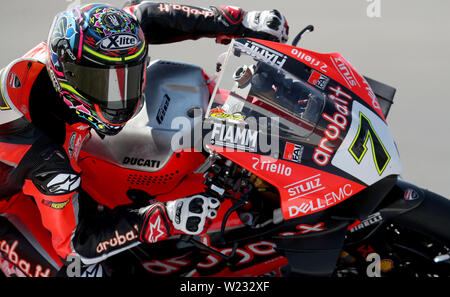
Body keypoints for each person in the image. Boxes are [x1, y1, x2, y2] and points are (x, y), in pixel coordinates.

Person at [0, 1, 289, 276]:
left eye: (129, 76)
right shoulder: (48, 154)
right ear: (68, 75)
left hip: (52, 172)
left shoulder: (83, 46)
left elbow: (146, 16)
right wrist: (164, 217)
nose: (121, 96)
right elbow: (77, 245)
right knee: (84, 272)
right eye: (106, 84)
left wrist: (239, 22)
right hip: (13, 206)